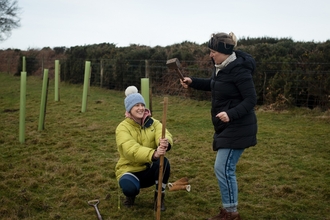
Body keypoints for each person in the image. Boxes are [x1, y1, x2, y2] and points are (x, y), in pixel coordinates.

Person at [180, 32, 257, 220]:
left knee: (223, 168)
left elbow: (251, 99)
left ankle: (231, 213)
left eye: (213, 51)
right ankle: (229, 210)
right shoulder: (220, 67)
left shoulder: (239, 70)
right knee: (223, 168)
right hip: (225, 126)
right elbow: (215, 85)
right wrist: (193, 82)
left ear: (224, 51)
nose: (210, 55)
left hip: (239, 126)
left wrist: (231, 114)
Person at [115, 86, 173, 211]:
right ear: (129, 109)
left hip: (149, 168)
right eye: (136, 105)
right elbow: (130, 150)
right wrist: (154, 154)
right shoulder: (122, 128)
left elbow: (164, 133)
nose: (141, 108)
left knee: (165, 163)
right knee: (129, 186)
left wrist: (164, 141)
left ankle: (159, 198)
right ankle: (130, 196)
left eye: (142, 105)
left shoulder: (154, 123)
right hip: (130, 169)